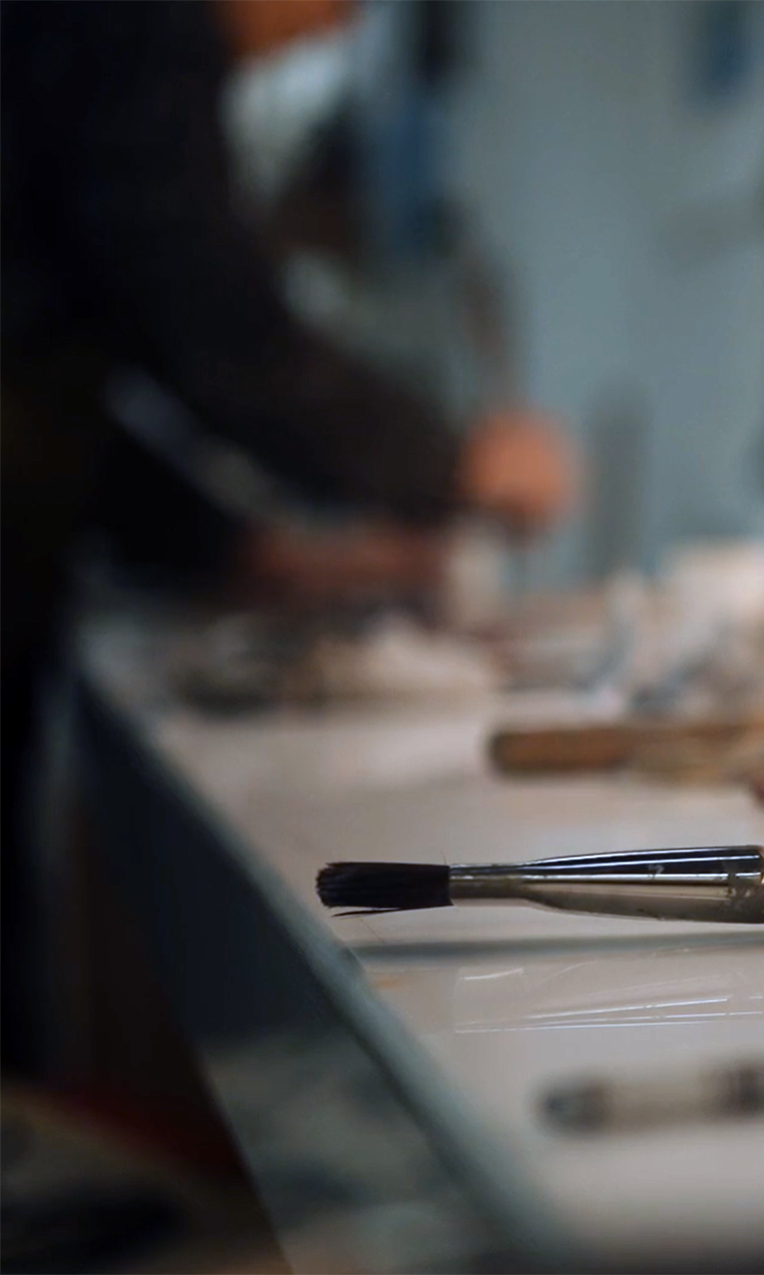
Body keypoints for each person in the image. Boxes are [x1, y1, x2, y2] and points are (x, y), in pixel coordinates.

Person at [1, 0, 575, 1072]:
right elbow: (212, 324)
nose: (334, 29)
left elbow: (60, 386)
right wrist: (451, 463)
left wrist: (247, 555)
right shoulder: (134, 26)